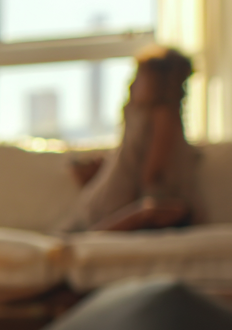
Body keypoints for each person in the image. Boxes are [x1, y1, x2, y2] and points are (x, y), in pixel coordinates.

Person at [58, 46, 200, 233]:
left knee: (74, 237)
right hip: (110, 205)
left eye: (140, 77)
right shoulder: (137, 115)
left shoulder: (164, 115)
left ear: (159, 82)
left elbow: (151, 177)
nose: (132, 84)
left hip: (134, 206)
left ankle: (81, 241)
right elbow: (131, 162)